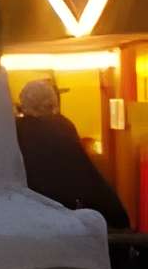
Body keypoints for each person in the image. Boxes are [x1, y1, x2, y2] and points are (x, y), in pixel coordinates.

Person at [15, 78, 128, 229]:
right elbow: (82, 168)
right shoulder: (62, 127)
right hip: (65, 209)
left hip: (28, 209)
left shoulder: (17, 130)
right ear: (51, 103)